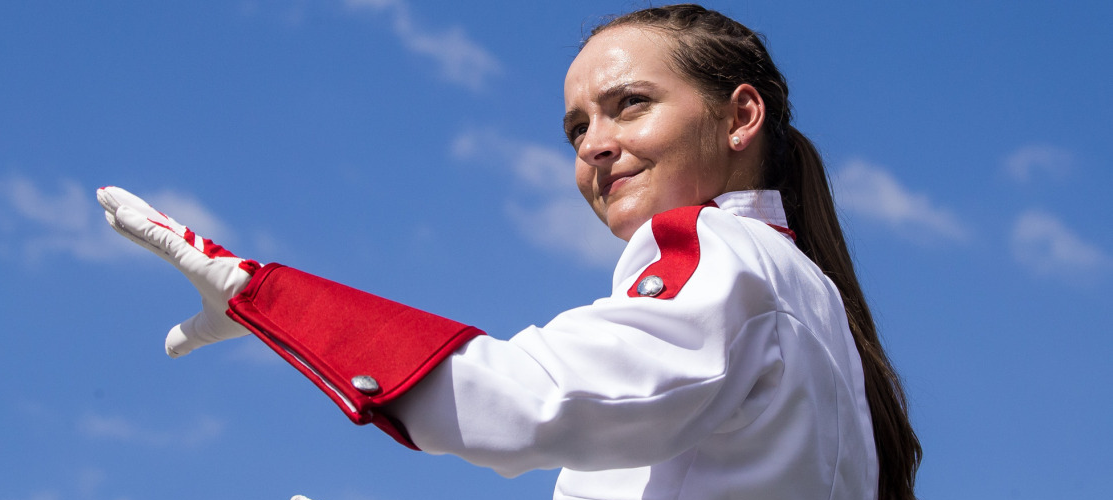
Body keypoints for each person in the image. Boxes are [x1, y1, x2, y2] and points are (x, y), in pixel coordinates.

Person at [97, 4, 921, 500]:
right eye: (577, 128)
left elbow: (534, 400)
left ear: (740, 118)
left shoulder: (723, 250)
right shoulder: (813, 307)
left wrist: (271, 298)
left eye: (630, 105)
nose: (596, 146)